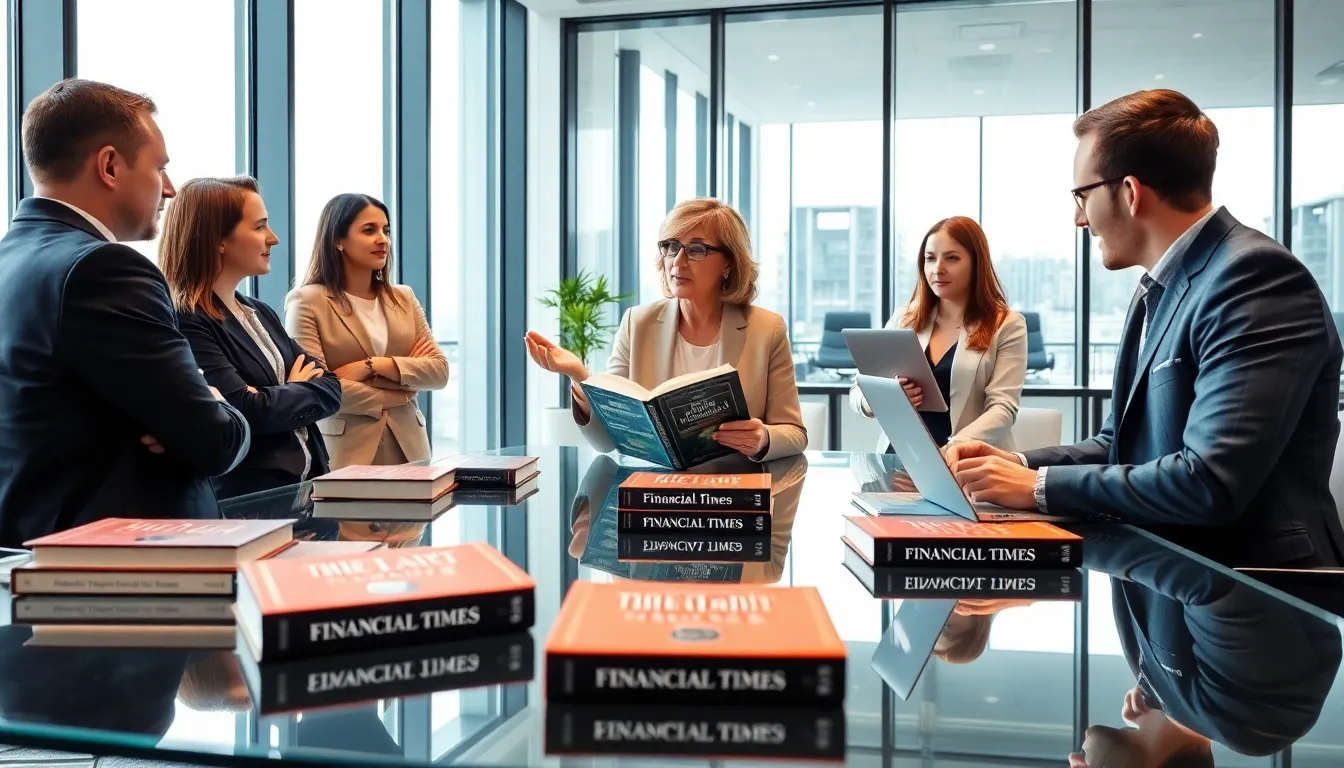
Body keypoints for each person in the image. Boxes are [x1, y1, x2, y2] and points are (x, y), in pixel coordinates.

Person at [945, 88, 1344, 568]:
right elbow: (1119, 444)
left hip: (1252, 588)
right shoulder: (1156, 288)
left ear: (1131, 193)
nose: (1078, 217)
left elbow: (1210, 482)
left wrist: (1037, 487)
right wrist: (1016, 464)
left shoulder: (1254, 278)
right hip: (1168, 573)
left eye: (1082, 195)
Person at [0, 78, 250, 546]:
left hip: (36, 557)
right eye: (160, 167)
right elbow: (213, 442)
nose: (170, 189)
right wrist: (217, 403)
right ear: (110, 166)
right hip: (125, 567)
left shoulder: (10, 260)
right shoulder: (104, 268)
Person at [525, 198, 806, 461]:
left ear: (729, 263)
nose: (678, 262)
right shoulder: (637, 323)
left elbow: (795, 433)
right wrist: (579, 377)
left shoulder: (767, 329)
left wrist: (763, 439)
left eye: (696, 250)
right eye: (671, 246)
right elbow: (606, 440)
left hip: (733, 485)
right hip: (653, 486)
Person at [162, 176, 342, 499]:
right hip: (252, 501)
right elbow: (242, 409)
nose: (273, 238)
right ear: (218, 239)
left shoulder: (260, 311)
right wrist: (293, 387)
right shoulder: (188, 319)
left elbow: (331, 387)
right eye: (259, 227)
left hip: (309, 489)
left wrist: (271, 395)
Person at [284, 193, 448, 469]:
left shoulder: (403, 297)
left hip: (411, 449)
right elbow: (316, 387)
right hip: (346, 454)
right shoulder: (307, 301)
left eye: (386, 230)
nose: (382, 239)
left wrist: (372, 366)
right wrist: (397, 393)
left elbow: (439, 371)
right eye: (369, 230)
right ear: (338, 240)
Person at [850, 216, 1026, 452]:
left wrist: (952, 450)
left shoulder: (1007, 325)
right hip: (899, 459)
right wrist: (884, 398)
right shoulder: (904, 319)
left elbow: (1003, 408)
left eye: (952, 258)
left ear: (977, 263)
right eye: (930, 258)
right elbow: (858, 389)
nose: (938, 269)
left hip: (969, 459)